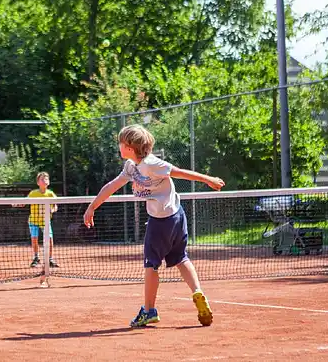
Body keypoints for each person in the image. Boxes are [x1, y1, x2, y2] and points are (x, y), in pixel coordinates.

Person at [83, 125, 224, 328]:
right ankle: (197, 292)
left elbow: (179, 172)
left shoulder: (152, 163)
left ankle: (149, 311)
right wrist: (92, 206)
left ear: (130, 147)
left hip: (161, 221)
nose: (119, 147)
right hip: (177, 217)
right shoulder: (131, 167)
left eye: (121, 143)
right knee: (181, 258)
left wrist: (208, 179)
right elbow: (112, 186)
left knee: (151, 265)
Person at [14, 172, 59, 268]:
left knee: (50, 239)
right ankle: (36, 257)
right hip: (33, 220)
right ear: (38, 182)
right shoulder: (33, 193)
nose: (45, 180)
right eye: (42, 179)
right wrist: (16, 203)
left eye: (46, 179)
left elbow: (56, 206)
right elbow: (24, 203)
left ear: (49, 182)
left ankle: (50, 259)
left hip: (46, 221)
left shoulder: (51, 194)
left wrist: (52, 209)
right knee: (34, 239)